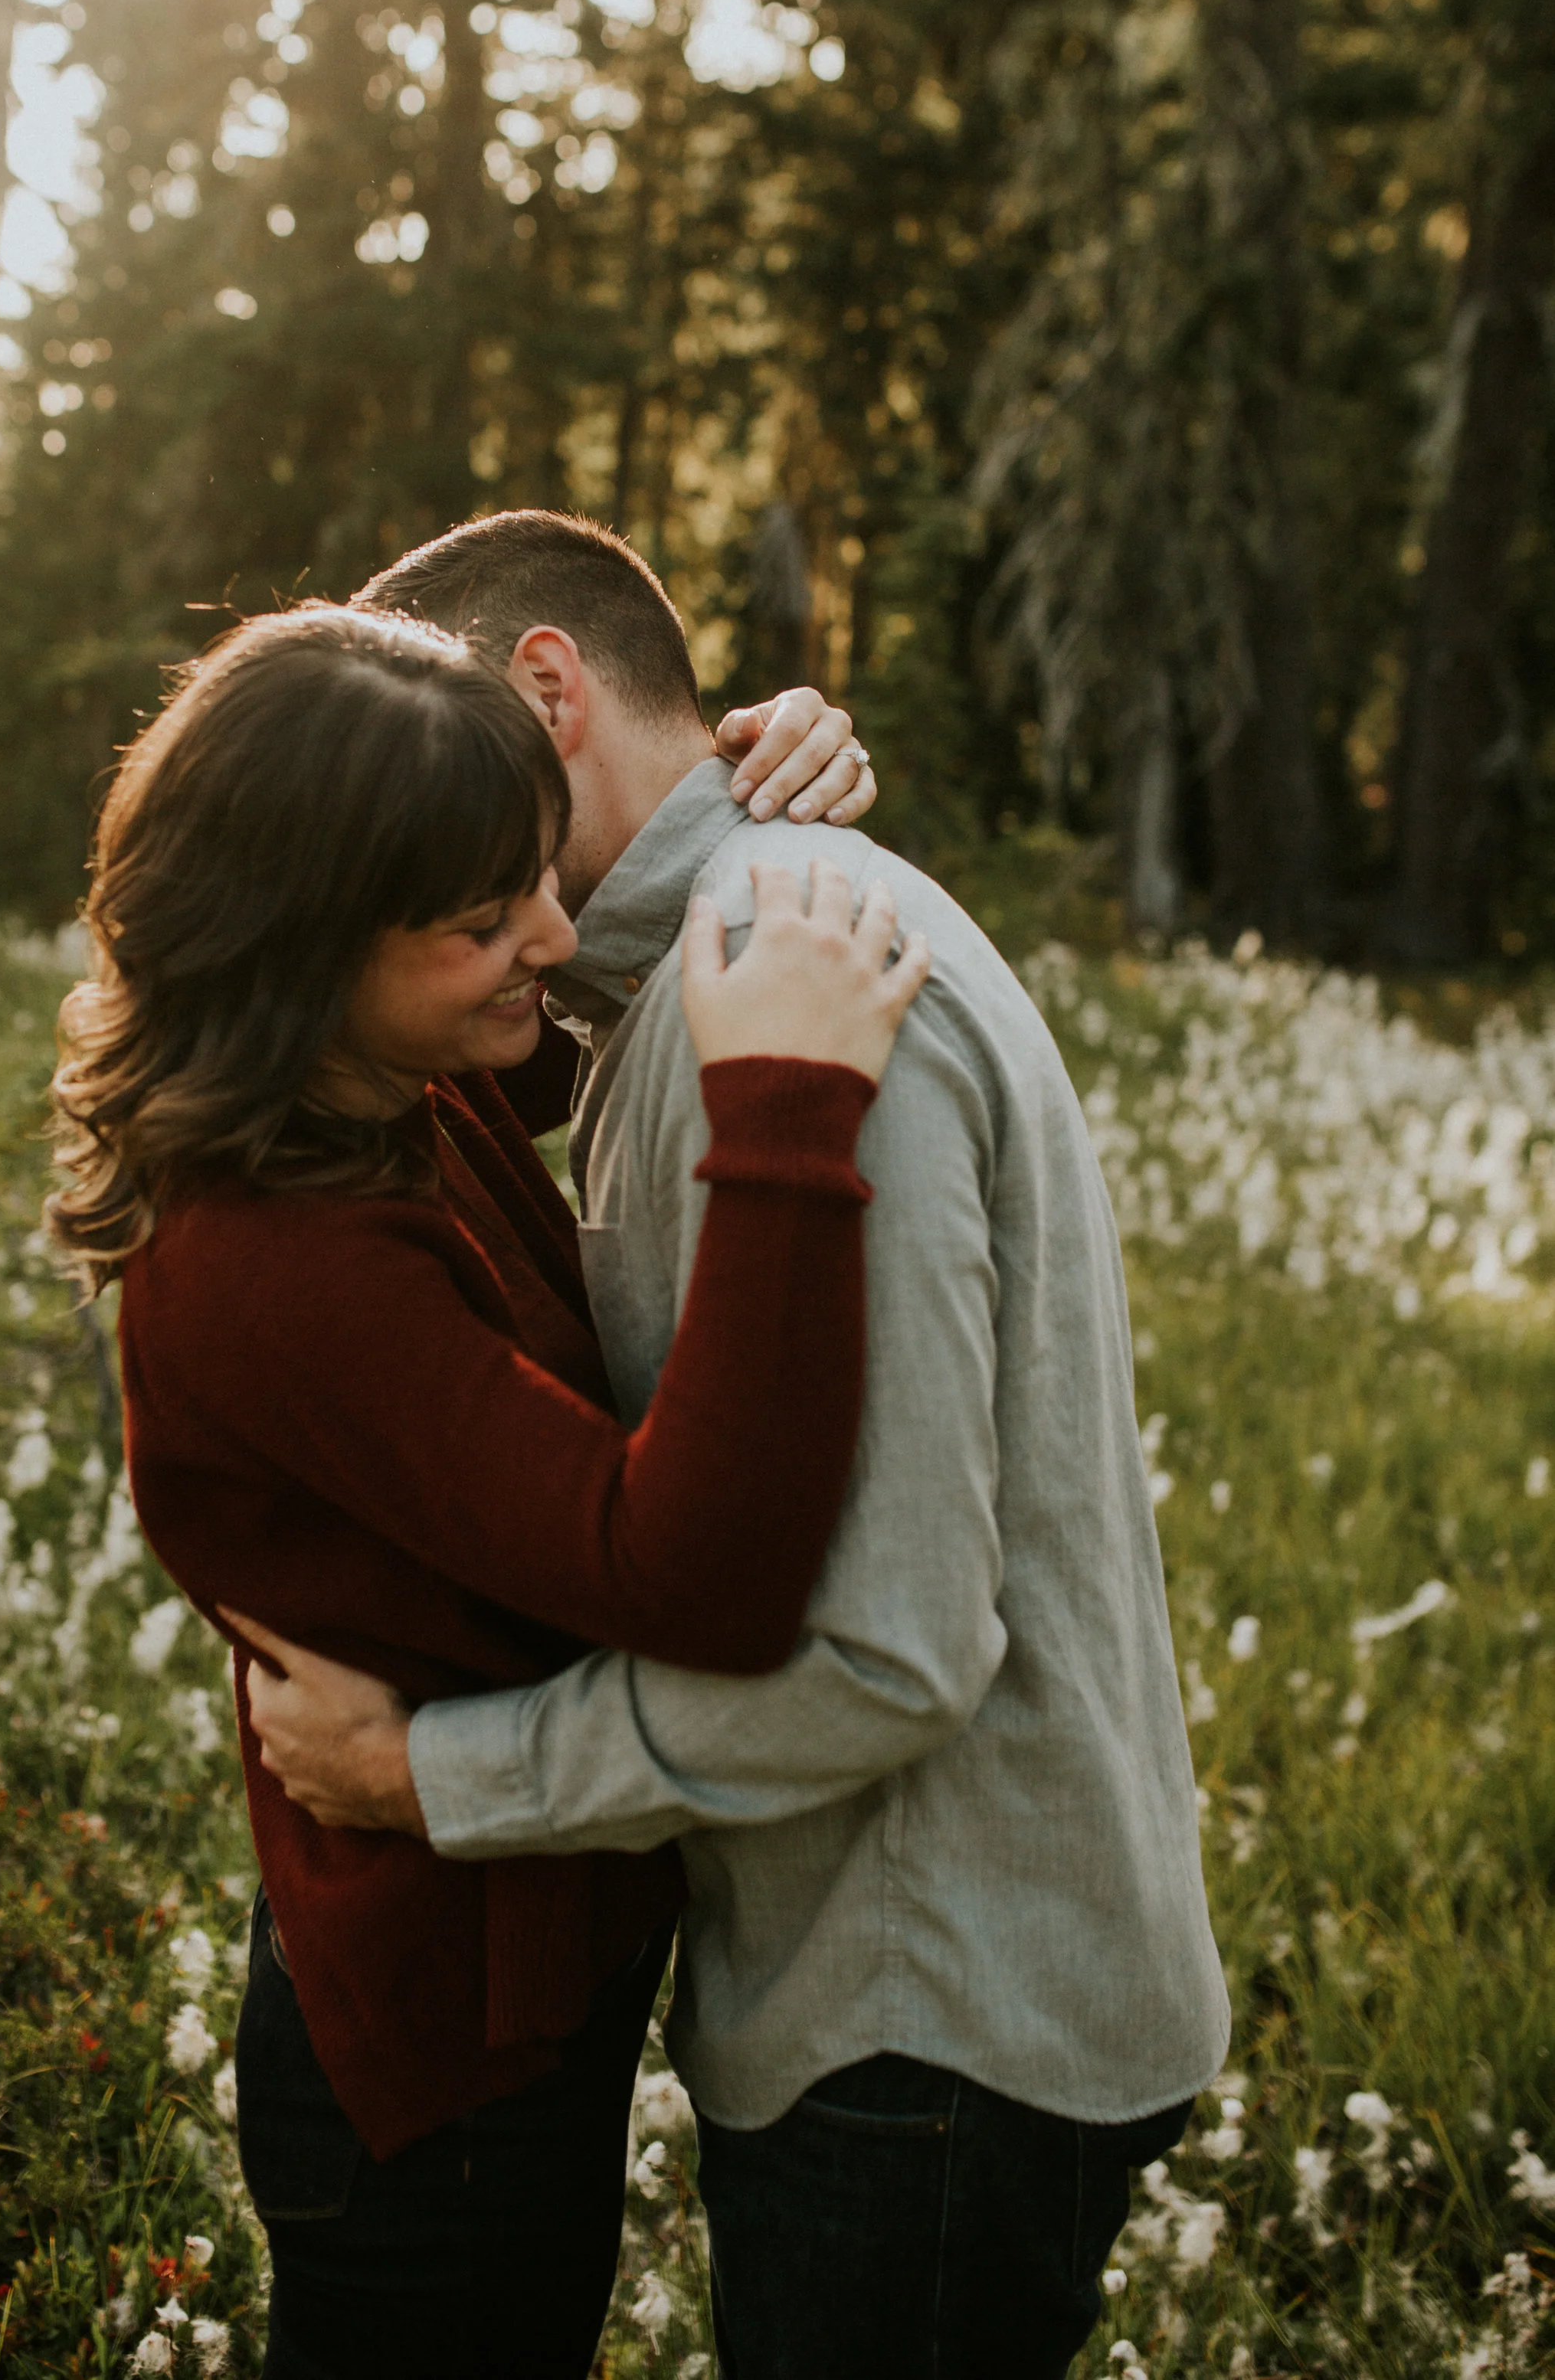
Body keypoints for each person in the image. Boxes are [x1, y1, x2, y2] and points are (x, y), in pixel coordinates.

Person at [237, 510, 1232, 2380]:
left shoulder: (760, 994)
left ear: (543, 695)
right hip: (915, 1998)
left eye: (429, 768)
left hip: (928, 2014)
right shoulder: (716, 958)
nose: (406, 830)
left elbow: (879, 1648)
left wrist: (436, 1775)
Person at [47, 599, 928, 2380]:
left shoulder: (366, 1076)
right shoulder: (277, 1255)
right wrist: (781, 1115)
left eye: (544, 869)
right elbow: (692, 1577)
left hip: (513, 1970)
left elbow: (568, 970)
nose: (555, 932)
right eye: (480, 917)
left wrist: (738, 767)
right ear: (296, 946)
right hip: (436, 2079)